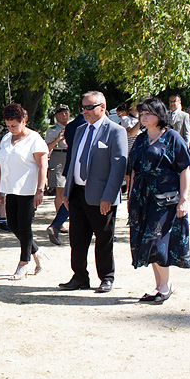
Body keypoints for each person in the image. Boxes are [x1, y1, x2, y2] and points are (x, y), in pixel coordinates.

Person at [59, 91, 128, 293]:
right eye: (83, 107)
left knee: (103, 239)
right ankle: (79, 277)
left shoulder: (115, 131)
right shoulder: (80, 130)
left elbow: (118, 167)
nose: (85, 111)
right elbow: (72, 161)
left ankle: (106, 277)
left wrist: (109, 196)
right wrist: (67, 190)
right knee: (77, 239)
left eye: (90, 107)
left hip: (101, 196)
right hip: (77, 194)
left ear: (102, 107)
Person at [128, 98, 190, 303]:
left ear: (159, 115)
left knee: (157, 241)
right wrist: (130, 199)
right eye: (141, 113)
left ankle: (166, 286)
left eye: (147, 113)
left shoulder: (172, 137)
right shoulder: (140, 139)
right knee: (147, 243)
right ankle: (160, 286)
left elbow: (185, 168)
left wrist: (183, 199)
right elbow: (135, 171)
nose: (143, 117)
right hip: (142, 197)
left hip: (165, 199)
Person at [0, 104, 49, 280]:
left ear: (23, 121)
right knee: (12, 225)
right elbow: (1, 165)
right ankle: (36, 251)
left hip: (28, 189)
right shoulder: (5, 139)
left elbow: (42, 165)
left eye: (14, 126)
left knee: (25, 226)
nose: (11, 129)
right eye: (8, 126)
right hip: (11, 188)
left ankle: (24, 263)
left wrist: (40, 189)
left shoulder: (35, 139)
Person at [44, 104, 70, 243]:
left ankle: (63, 217)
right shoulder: (52, 130)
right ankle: (59, 221)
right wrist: (58, 139)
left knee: (69, 190)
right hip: (58, 157)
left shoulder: (73, 127)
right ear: (56, 116)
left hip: (70, 157)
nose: (64, 116)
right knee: (60, 190)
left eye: (66, 113)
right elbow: (47, 147)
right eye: (61, 114)